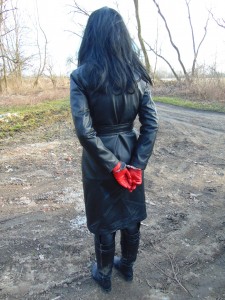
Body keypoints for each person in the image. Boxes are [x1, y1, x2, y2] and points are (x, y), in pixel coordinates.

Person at [70, 6, 158, 293]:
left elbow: (85, 131)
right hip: (131, 154)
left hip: (99, 160)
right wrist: (135, 164)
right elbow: (150, 126)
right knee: (130, 214)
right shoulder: (138, 76)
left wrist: (114, 166)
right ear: (121, 36)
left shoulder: (82, 76)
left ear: (91, 37)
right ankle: (127, 267)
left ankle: (105, 272)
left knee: (104, 219)